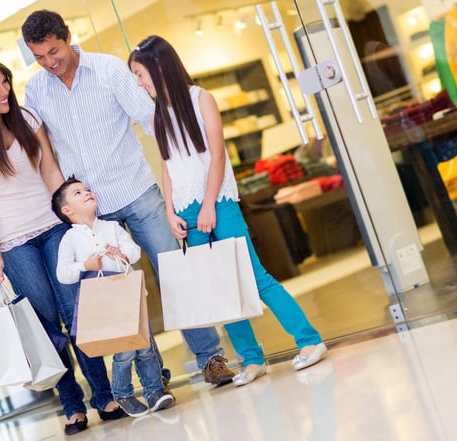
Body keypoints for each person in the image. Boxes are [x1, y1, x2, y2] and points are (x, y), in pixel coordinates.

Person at [21, 9, 236, 385]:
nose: (49, 63)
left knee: (175, 274)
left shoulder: (108, 71)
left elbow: (152, 122)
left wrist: (190, 170)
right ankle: (152, 373)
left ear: (67, 36)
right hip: (90, 211)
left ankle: (209, 357)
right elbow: (46, 153)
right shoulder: (36, 90)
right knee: (120, 292)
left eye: (53, 51)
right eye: (39, 56)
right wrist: (66, 206)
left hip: (136, 191)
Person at [127, 35, 328, 387]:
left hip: (218, 200)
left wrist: (208, 205)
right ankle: (251, 359)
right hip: (186, 211)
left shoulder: (201, 98)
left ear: (159, 68)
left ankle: (310, 340)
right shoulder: (158, 114)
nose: (140, 83)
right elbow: (167, 164)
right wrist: (171, 211)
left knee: (254, 277)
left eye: (141, 74)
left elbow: (217, 155)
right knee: (220, 288)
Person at [0, 57, 126, 436]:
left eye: (5, 83)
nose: (3, 92)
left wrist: (73, 217)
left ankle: (104, 397)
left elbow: (49, 170)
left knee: (77, 314)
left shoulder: (26, 118)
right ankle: (72, 406)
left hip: (54, 229)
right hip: (15, 242)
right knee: (46, 325)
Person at [52, 176, 175, 417]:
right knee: (125, 350)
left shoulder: (111, 227)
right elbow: (62, 274)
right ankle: (123, 393)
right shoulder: (70, 239)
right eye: (78, 193)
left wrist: (123, 254)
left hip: (128, 294)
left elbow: (134, 250)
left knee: (145, 343)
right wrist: (84, 265)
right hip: (103, 302)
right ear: (67, 210)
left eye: (87, 189)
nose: (87, 193)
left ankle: (154, 391)